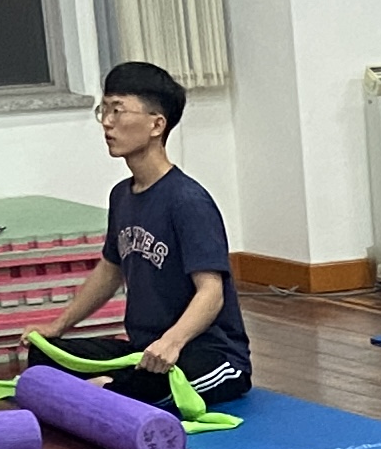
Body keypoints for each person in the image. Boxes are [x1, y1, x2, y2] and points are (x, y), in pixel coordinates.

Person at [41, 61, 254, 411]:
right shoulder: (121, 196)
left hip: (208, 354)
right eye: (104, 110)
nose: (107, 122)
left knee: (141, 388)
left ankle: (108, 390)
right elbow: (109, 271)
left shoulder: (188, 200)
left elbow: (211, 292)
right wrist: (57, 327)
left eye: (118, 110)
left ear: (156, 124)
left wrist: (172, 342)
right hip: (145, 350)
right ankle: (106, 388)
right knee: (44, 356)